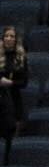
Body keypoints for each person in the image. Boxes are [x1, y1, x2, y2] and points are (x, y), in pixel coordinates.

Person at [0, 21, 26, 152]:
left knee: (10, 136)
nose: (9, 38)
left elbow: (24, 82)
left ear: (16, 39)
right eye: (6, 36)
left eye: (12, 36)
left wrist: (10, 83)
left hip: (12, 99)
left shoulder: (20, 57)